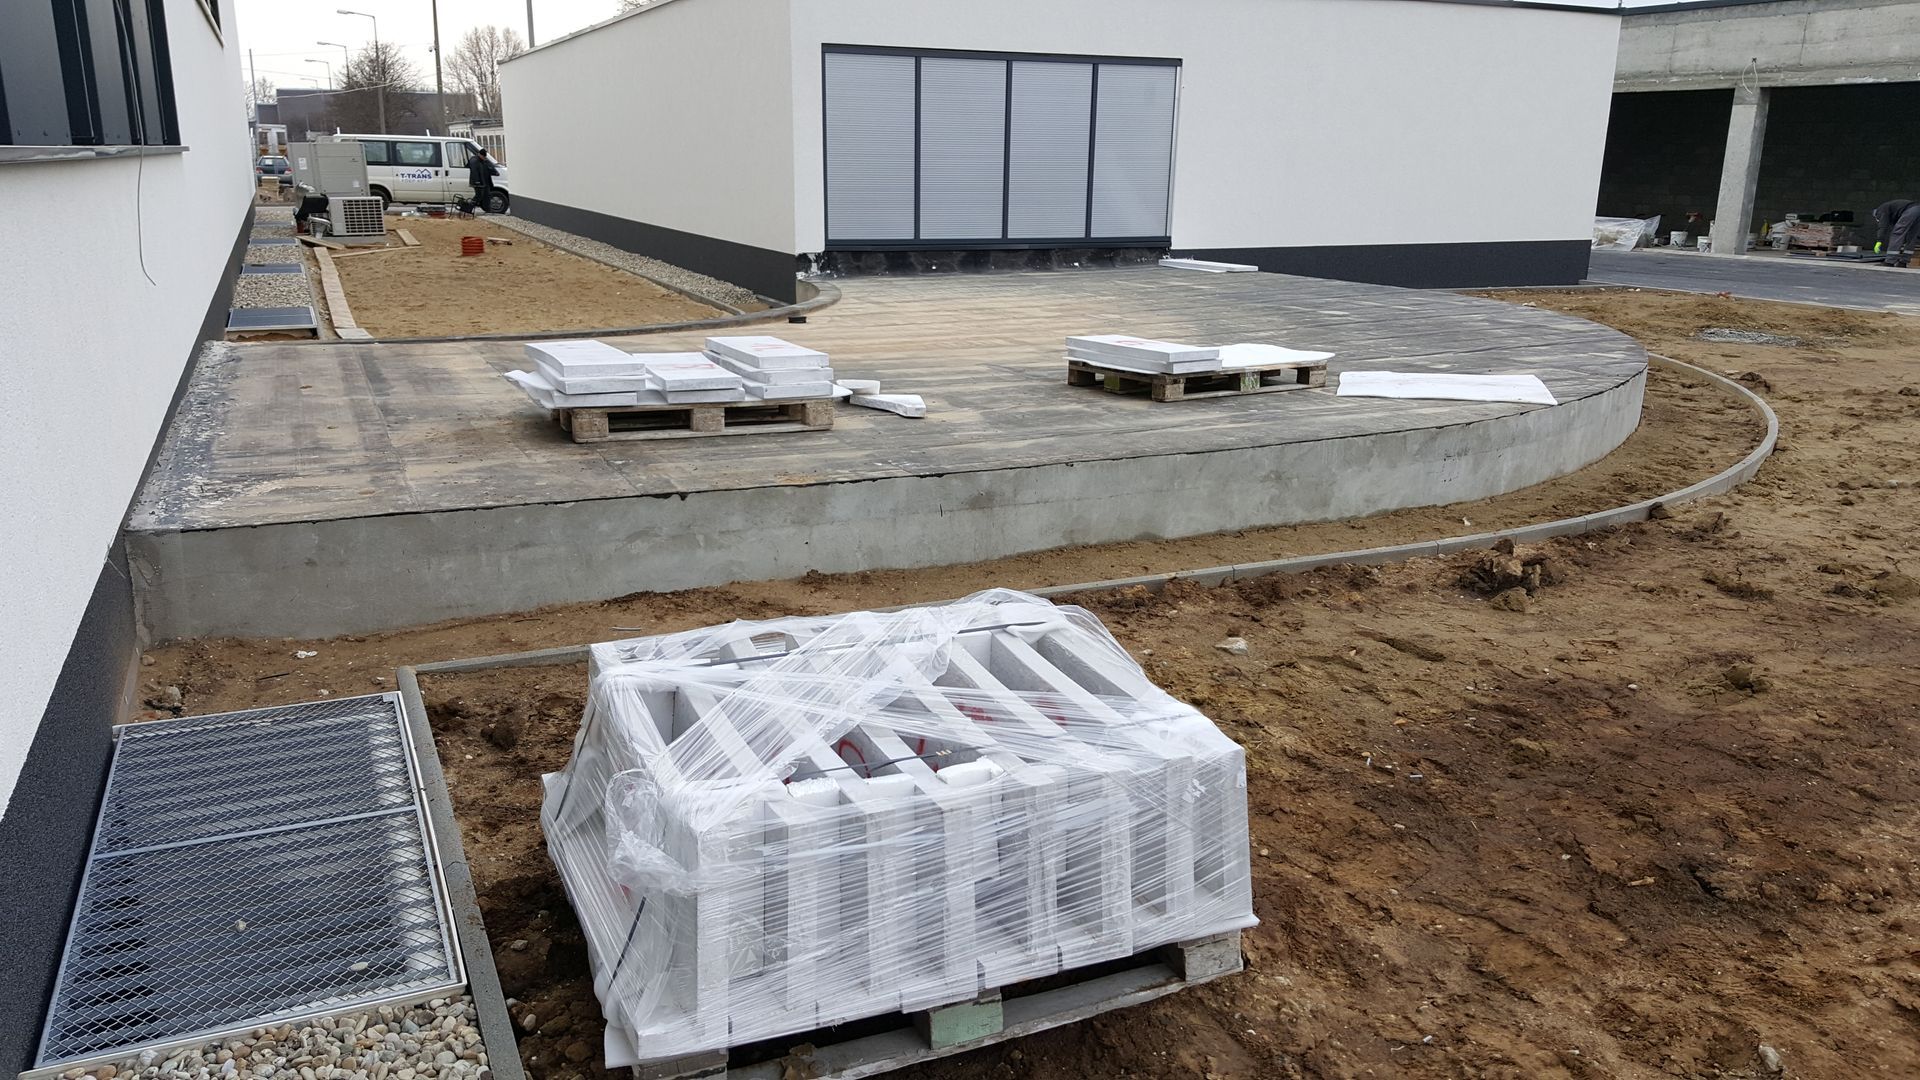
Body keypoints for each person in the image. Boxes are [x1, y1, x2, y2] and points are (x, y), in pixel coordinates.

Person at [1871, 198, 1919, 267]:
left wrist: (1879, 241)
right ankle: (1903, 262)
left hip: (1910, 211)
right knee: (1912, 236)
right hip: (1917, 210)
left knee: (1897, 234)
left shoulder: (1881, 211)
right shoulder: (1892, 210)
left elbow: (1883, 227)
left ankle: (1889, 261)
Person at [467, 146, 500, 214]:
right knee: (478, 196)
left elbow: (489, 168)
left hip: (485, 182)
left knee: (487, 196)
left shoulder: (484, 161)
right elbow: (474, 172)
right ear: (480, 155)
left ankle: (488, 209)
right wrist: (477, 181)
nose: (484, 158)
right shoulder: (474, 160)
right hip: (478, 182)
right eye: (483, 157)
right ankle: (468, 208)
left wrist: (495, 172)